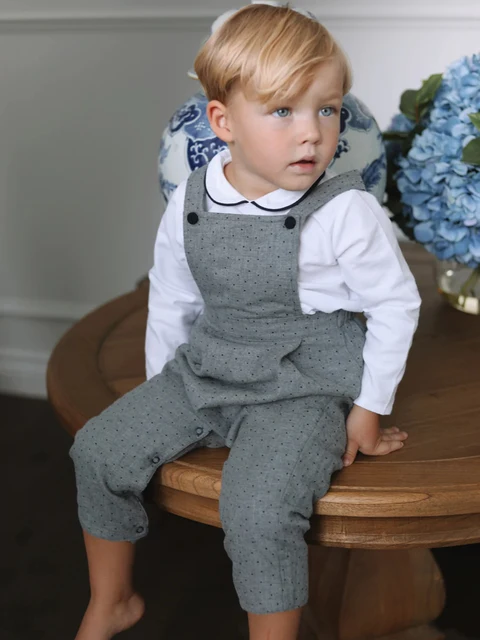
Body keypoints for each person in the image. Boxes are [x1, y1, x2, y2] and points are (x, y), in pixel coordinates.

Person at [69, 3, 421, 639]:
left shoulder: (345, 210)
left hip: (304, 384)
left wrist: (369, 408)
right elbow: (172, 299)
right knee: (98, 451)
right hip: (210, 365)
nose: (311, 133)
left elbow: (395, 304)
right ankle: (111, 600)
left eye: (327, 109)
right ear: (223, 122)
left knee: (259, 509)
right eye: (283, 110)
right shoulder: (191, 200)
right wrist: (161, 389)